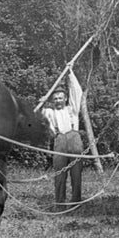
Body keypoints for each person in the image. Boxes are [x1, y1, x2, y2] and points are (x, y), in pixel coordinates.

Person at [39, 71, 85, 207]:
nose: (58, 101)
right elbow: (39, 116)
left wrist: (70, 74)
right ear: (52, 101)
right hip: (59, 143)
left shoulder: (73, 109)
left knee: (76, 174)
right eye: (55, 99)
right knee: (59, 174)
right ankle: (60, 203)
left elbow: (77, 91)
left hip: (75, 141)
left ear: (65, 98)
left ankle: (76, 202)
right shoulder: (49, 112)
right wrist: (41, 103)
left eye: (60, 98)